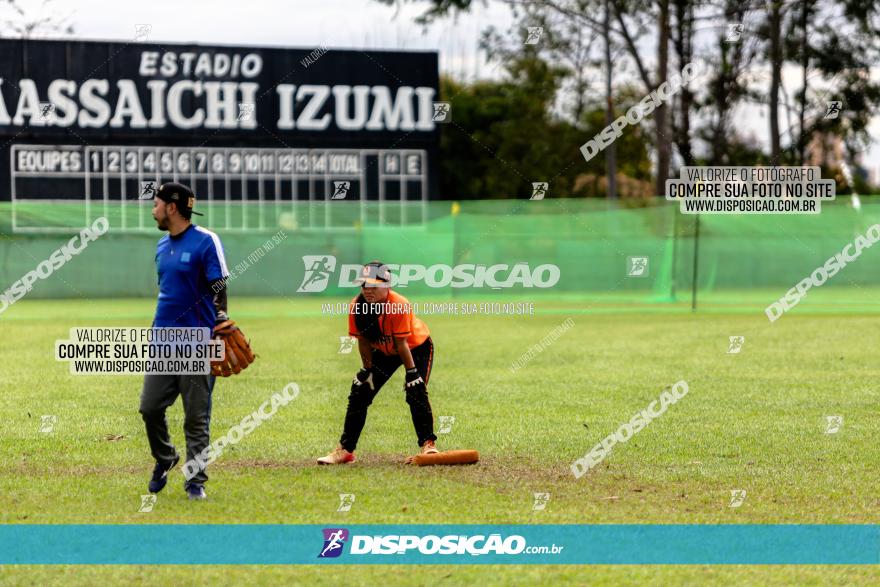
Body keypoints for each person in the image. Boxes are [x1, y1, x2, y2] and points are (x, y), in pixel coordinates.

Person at [140, 182, 230, 500]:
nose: (153, 209)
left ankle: (195, 481)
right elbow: (168, 291)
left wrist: (218, 324)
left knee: (196, 417)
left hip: (198, 341)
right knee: (149, 408)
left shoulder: (206, 241)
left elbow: (219, 287)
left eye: (156, 204)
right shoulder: (162, 246)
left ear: (172, 208)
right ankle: (165, 457)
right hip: (163, 340)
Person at [317, 261, 438, 464]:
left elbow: (401, 345)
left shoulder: (399, 305)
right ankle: (345, 450)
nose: (368, 290)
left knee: (415, 390)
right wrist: (367, 370)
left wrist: (412, 372)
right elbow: (363, 342)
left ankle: (428, 445)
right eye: (364, 285)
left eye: (374, 285)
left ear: (387, 286)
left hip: (415, 347)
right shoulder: (358, 306)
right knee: (361, 391)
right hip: (384, 351)